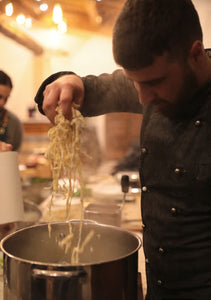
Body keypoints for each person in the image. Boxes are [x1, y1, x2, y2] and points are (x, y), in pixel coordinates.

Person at [34, 0, 211, 299]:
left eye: (153, 83)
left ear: (195, 55)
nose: (141, 98)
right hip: (159, 285)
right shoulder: (153, 80)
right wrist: (71, 82)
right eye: (133, 82)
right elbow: (95, 89)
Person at [0, 70, 23, 152]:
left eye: (6, 99)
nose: (2, 103)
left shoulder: (14, 122)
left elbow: (16, 155)